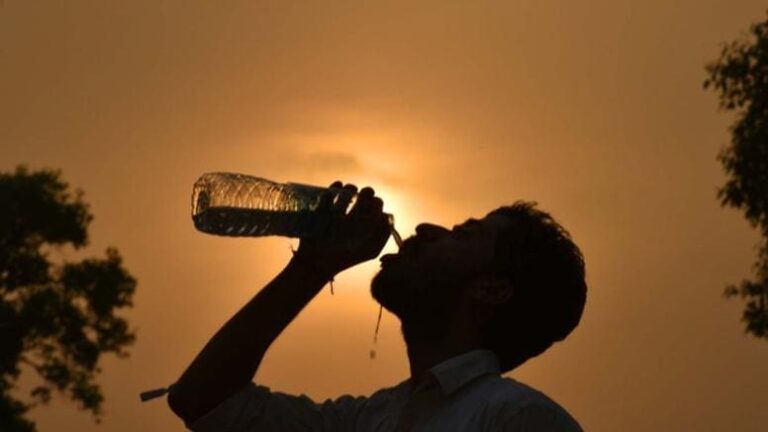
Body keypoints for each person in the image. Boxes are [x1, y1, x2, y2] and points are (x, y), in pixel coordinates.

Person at [167, 182, 587, 431]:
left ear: (492, 290)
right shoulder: (371, 419)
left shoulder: (517, 418)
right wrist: (312, 267)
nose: (426, 228)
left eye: (463, 235)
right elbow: (202, 400)